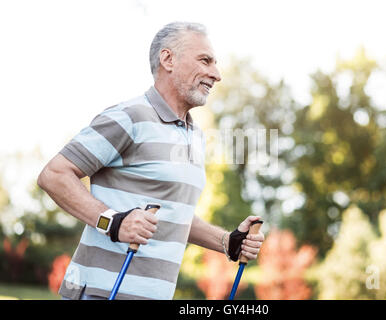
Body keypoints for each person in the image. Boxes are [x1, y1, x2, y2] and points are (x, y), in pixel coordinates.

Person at [37, 21, 265, 300]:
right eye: (205, 60)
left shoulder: (194, 135)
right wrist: (114, 222)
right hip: (100, 292)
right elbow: (54, 175)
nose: (216, 74)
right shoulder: (128, 117)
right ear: (168, 59)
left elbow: (173, 212)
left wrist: (227, 242)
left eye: (215, 64)